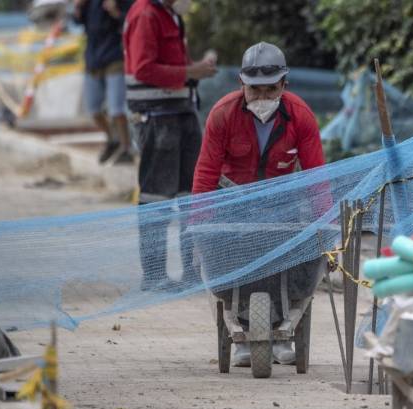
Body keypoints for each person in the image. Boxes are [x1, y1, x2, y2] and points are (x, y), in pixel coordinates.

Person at [192, 42, 325, 366]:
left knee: (296, 257)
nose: (263, 97)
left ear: (284, 85)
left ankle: (281, 326)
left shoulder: (300, 117)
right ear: (242, 84)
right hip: (233, 205)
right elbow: (206, 172)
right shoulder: (223, 115)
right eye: (255, 90)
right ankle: (243, 331)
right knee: (227, 259)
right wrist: (199, 226)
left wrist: (325, 229)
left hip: (283, 208)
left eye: (271, 89)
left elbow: (316, 177)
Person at [123, 0, 217, 291]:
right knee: (156, 199)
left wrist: (193, 71)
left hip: (179, 113)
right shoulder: (146, 14)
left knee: (190, 195)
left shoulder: (168, 15)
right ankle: (154, 276)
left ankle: (190, 272)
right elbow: (143, 68)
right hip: (157, 118)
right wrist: (191, 71)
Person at [73, 0, 134, 164]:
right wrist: (78, 6)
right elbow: (78, 21)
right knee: (93, 109)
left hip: (114, 58)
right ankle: (112, 140)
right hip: (93, 60)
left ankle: (126, 148)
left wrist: (115, 12)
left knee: (117, 110)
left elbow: (132, 23)